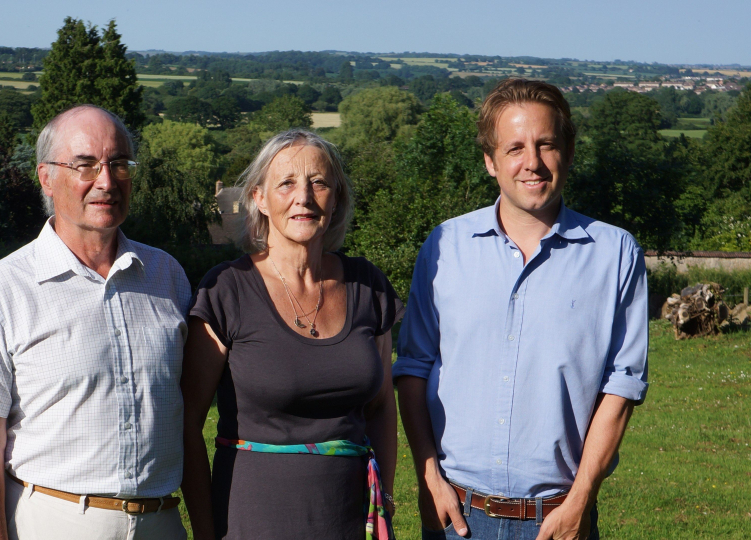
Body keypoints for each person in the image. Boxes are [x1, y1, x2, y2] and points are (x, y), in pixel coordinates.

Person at [394, 79, 649, 540]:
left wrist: (580, 501)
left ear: (569, 152)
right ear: (490, 161)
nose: (531, 162)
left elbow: (623, 385)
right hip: (456, 516)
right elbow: (413, 366)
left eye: (545, 144)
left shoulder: (615, 253)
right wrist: (429, 477)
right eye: (514, 148)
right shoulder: (445, 246)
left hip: (559, 521)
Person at [0, 105, 192, 540]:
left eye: (118, 164)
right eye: (85, 165)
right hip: (54, 522)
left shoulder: (168, 276)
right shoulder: (0, 289)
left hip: (162, 522)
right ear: (46, 178)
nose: (106, 181)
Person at [180, 129, 402, 539]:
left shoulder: (368, 286)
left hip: (351, 522)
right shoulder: (226, 289)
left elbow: (382, 407)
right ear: (259, 199)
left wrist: (384, 500)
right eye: (286, 183)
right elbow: (189, 423)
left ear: (335, 198)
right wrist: (205, 532)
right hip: (251, 521)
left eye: (318, 182)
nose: (304, 196)